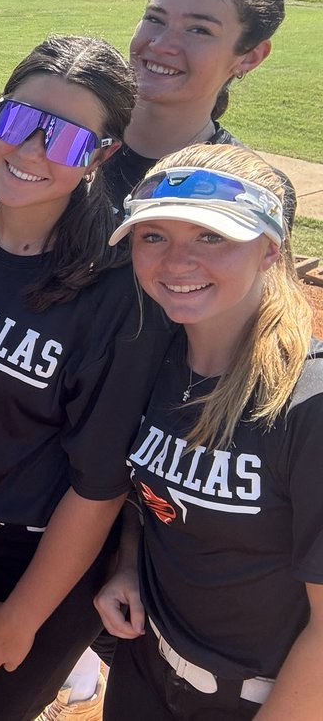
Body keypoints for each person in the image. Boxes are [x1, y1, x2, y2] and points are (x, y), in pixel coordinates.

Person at [0, 36, 172, 721]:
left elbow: (100, 481)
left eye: (64, 139)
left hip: (52, 547)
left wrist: (26, 613)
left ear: (101, 155)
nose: (30, 152)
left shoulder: (117, 290)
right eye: (20, 122)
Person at [94, 145, 322, 720]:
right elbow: (150, 492)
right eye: (153, 236)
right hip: (145, 670)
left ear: (271, 248)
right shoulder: (157, 357)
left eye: (210, 236)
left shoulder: (309, 403)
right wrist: (127, 562)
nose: (176, 262)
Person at [98, 0, 287, 211]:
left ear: (250, 57)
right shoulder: (67, 141)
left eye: (199, 30)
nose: (162, 45)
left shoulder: (247, 189)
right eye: (155, 19)